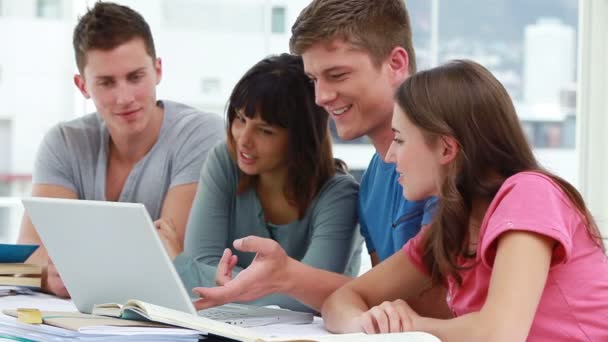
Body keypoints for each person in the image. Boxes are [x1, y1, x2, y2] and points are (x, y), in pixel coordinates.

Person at [191, 0, 449, 318]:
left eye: (337, 75)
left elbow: (442, 305)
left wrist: (286, 277)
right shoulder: (371, 183)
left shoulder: (447, 162)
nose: (320, 97)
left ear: (395, 63)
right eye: (314, 80)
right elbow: (386, 301)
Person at [321, 60, 608, 341]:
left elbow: (499, 335)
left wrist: (412, 326)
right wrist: (367, 322)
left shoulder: (530, 194)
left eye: (399, 140)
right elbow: (341, 300)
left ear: (446, 148)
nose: (389, 156)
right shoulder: (451, 227)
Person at [17, 2, 224, 298]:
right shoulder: (64, 142)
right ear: (82, 86)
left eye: (135, 77)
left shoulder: (200, 134)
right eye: (106, 83)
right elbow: (29, 258)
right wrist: (49, 278)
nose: (124, 97)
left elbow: (171, 258)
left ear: (158, 70)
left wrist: (74, 267)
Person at [157, 53, 362, 313]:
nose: (244, 139)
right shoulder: (225, 162)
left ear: (301, 139)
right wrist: (196, 271)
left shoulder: (340, 195)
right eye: (240, 119)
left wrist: (184, 265)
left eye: (265, 131)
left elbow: (308, 302)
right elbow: (199, 282)